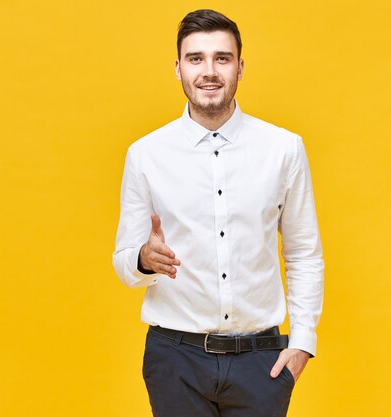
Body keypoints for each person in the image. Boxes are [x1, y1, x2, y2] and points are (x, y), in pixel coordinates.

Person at [113, 9, 324, 417]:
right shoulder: (145, 155)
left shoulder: (284, 149)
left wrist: (302, 342)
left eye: (221, 58)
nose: (209, 71)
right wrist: (143, 259)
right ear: (178, 68)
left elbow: (304, 253)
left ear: (240, 67)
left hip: (260, 361)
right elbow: (123, 262)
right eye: (196, 59)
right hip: (175, 359)